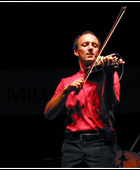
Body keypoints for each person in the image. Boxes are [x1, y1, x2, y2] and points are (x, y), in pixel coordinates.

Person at [44, 31, 122, 168]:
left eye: (95, 45)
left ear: (99, 50)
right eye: (85, 45)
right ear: (76, 52)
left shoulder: (109, 75)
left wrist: (108, 76)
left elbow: (108, 107)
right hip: (72, 145)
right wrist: (65, 92)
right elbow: (48, 114)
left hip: (100, 143)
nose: (90, 48)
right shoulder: (66, 82)